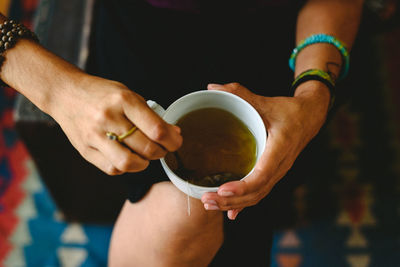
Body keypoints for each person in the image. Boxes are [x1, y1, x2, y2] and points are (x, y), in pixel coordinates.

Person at [0, 0, 364, 266]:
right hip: (144, 33)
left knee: (250, 207)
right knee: (172, 229)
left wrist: (314, 93)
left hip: (283, 41)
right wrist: (57, 89)